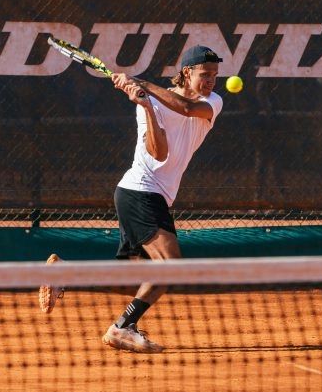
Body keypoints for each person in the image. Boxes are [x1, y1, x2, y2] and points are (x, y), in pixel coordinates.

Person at [38, 45, 225, 353]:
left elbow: (188, 110)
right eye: (205, 75)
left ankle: (66, 274)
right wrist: (148, 106)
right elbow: (159, 153)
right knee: (170, 267)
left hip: (155, 197)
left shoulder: (212, 102)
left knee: (134, 280)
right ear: (187, 72)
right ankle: (122, 327)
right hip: (140, 192)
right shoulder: (148, 104)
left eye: (215, 76)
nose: (211, 82)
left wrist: (143, 83)